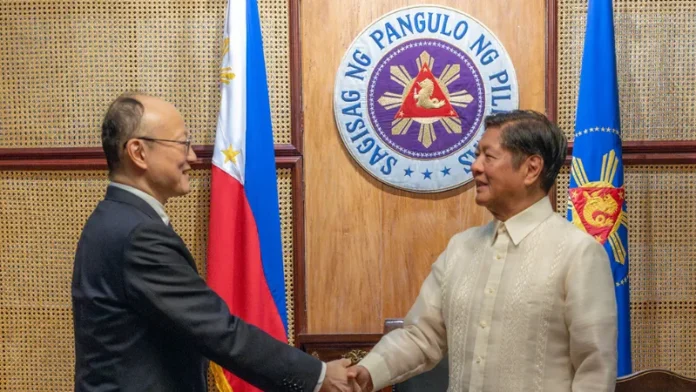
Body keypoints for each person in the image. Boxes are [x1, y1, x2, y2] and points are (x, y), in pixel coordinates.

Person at [71, 92, 356, 392]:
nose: (192, 156)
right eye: (183, 144)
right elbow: (217, 331)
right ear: (138, 152)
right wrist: (318, 376)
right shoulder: (137, 235)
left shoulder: (113, 220)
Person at [350, 110, 618, 391]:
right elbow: (421, 337)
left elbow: (595, 369)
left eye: (488, 156)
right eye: (477, 156)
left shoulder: (579, 253)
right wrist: (366, 372)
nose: (475, 167)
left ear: (531, 169)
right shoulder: (459, 248)